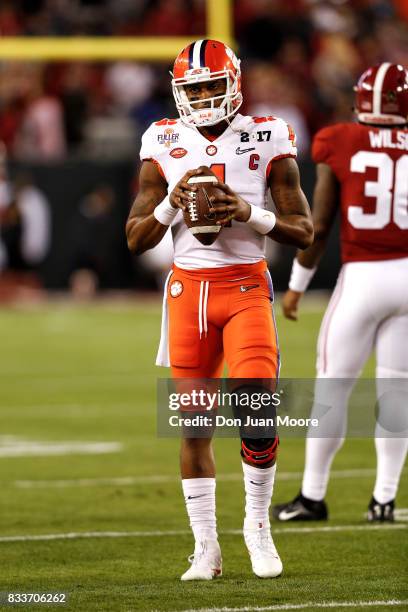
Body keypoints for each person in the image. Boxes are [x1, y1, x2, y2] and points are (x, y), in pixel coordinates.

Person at [126, 39, 313, 580]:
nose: (204, 96)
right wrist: (170, 202)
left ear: (233, 83)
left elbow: (303, 231)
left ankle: (258, 526)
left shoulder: (267, 134)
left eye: (212, 85)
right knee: (194, 427)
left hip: (245, 286)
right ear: (178, 91)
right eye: (194, 88)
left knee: (257, 410)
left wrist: (248, 212)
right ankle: (206, 546)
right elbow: (136, 240)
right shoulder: (162, 140)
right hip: (188, 293)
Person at [272, 63, 408, 524]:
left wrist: (296, 287)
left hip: (364, 279)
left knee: (332, 388)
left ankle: (312, 497)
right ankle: (383, 500)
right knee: (397, 391)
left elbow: (322, 223)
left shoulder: (341, 139)